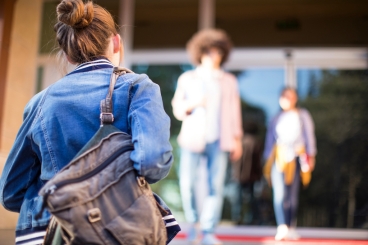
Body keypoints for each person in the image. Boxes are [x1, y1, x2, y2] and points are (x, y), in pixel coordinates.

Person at [0, 0, 173, 244]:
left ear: (68, 55)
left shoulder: (40, 102)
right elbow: (152, 163)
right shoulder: (138, 88)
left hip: (54, 232)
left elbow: (11, 193)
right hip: (121, 230)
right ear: (116, 42)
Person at [172, 29, 243, 245]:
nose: (214, 56)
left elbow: (234, 111)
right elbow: (177, 108)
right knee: (186, 183)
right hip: (192, 138)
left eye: (218, 52)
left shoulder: (229, 80)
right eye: (210, 52)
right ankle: (194, 225)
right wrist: (194, 103)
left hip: (219, 139)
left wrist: (237, 139)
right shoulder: (188, 78)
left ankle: (209, 230)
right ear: (200, 52)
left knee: (216, 185)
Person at [263, 87, 317, 241]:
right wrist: (267, 159)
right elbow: (269, 140)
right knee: (279, 194)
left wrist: (310, 156)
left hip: (296, 157)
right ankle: (282, 226)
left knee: (292, 195)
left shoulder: (302, 115)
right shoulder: (276, 117)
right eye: (284, 96)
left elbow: (309, 136)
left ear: (295, 98)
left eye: (290, 96)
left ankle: (291, 225)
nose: (286, 99)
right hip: (279, 158)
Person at [227, 121, 262, 225]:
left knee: (238, 199)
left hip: (239, 175)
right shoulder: (257, 142)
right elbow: (258, 161)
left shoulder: (239, 141)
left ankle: (237, 218)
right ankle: (252, 218)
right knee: (252, 198)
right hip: (252, 175)